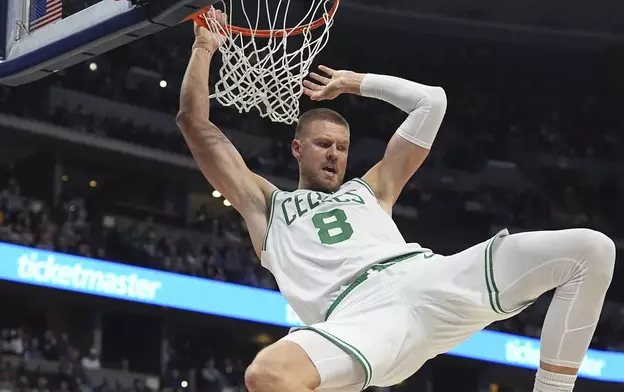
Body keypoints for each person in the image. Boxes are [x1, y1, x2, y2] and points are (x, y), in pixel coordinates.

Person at [176, 10, 616, 392]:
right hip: (357, 319)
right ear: (297, 148)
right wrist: (204, 47)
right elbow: (195, 124)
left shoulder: (373, 187)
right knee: (267, 375)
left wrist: (354, 82)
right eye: (324, 144)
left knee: (592, 251)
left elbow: (432, 103)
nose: (335, 154)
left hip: (428, 278)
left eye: (343, 147)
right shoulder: (266, 206)